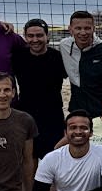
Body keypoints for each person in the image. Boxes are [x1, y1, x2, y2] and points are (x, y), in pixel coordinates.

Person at [11, 18, 67, 158]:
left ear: (47, 36)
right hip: (26, 113)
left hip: (52, 115)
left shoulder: (57, 57)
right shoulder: (18, 57)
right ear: (25, 37)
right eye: (30, 36)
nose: (35, 39)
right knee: (28, 157)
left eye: (39, 35)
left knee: (53, 157)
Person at [59, 11, 102, 119]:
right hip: (76, 110)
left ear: (94, 29)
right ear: (70, 29)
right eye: (78, 28)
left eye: (87, 28)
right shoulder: (64, 46)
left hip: (101, 111)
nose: (83, 32)